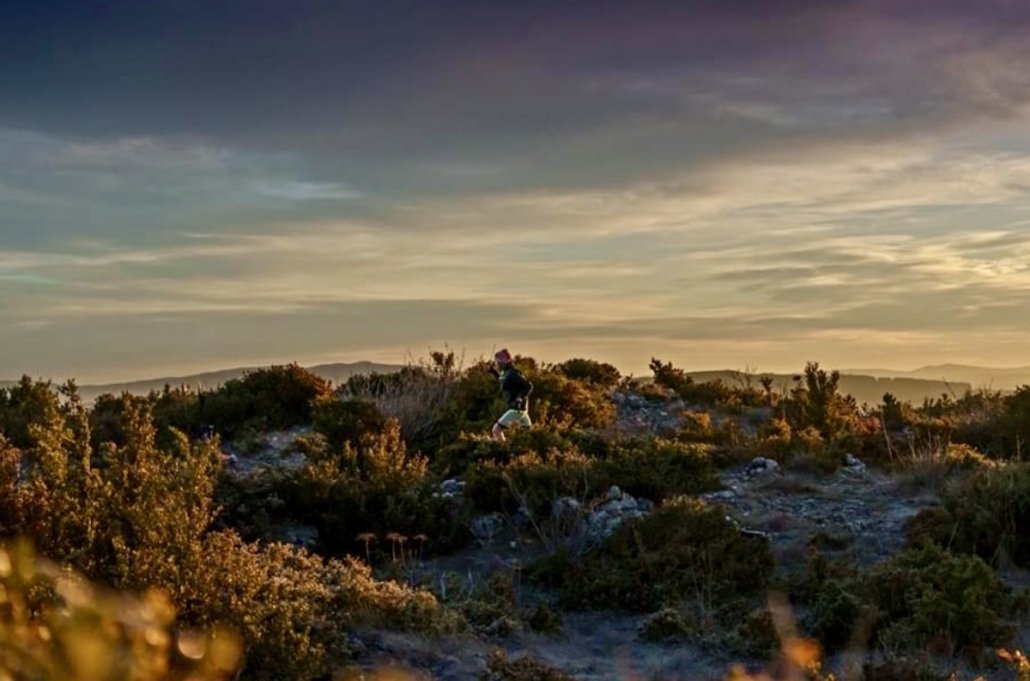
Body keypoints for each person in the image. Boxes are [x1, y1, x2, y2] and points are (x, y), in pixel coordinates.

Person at [488, 348, 533, 441]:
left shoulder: (513, 373)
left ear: (504, 362)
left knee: (496, 430)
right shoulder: (506, 373)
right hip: (521, 410)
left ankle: (503, 449)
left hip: (516, 409)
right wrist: (494, 373)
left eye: (498, 362)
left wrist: (519, 398)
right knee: (527, 435)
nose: (497, 364)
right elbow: (503, 380)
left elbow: (528, 386)